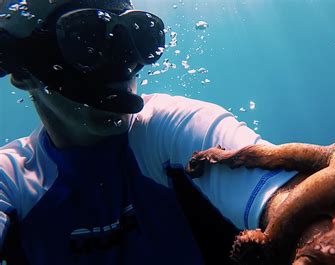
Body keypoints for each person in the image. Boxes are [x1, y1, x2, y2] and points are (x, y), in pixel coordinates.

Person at [0, 0, 298, 264]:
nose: (122, 64)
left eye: (135, 36)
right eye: (85, 38)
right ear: (24, 72)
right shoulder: (10, 179)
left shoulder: (173, 129)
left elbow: (291, 202)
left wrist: (320, 217)